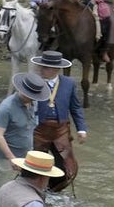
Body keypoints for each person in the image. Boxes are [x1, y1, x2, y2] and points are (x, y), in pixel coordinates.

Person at [0, 73, 49, 207]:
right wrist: (12, 158)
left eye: (35, 96)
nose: (33, 99)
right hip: (5, 156)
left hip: (26, 154)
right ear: (21, 90)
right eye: (30, 95)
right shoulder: (7, 107)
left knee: (19, 185)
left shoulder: (34, 103)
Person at [30, 51, 86, 193]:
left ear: (55, 70)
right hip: (38, 130)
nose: (41, 70)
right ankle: (34, 189)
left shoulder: (68, 83)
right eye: (41, 67)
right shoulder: (33, 82)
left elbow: (75, 107)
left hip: (60, 130)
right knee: (35, 165)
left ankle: (53, 191)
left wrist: (81, 129)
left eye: (45, 67)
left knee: (68, 168)